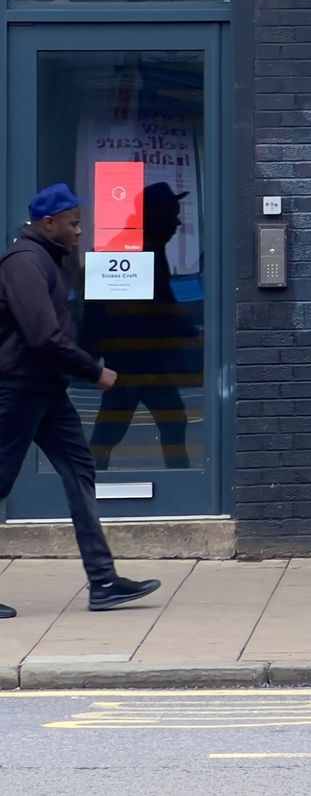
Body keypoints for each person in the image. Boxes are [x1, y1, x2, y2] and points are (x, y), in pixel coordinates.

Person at [0, 185, 161, 618]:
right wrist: (93, 369)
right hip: (16, 389)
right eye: (72, 223)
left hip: (46, 391)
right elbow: (42, 335)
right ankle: (105, 580)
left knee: (80, 472)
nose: (79, 230)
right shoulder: (25, 263)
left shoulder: (48, 260)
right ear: (47, 223)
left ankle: (104, 582)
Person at [86, 182, 195, 469]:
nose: (177, 222)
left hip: (139, 361)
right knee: (158, 421)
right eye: (172, 215)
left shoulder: (147, 250)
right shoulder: (129, 253)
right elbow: (106, 312)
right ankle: (181, 486)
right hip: (137, 363)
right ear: (156, 217)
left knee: (126, 425)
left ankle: (90, 479)